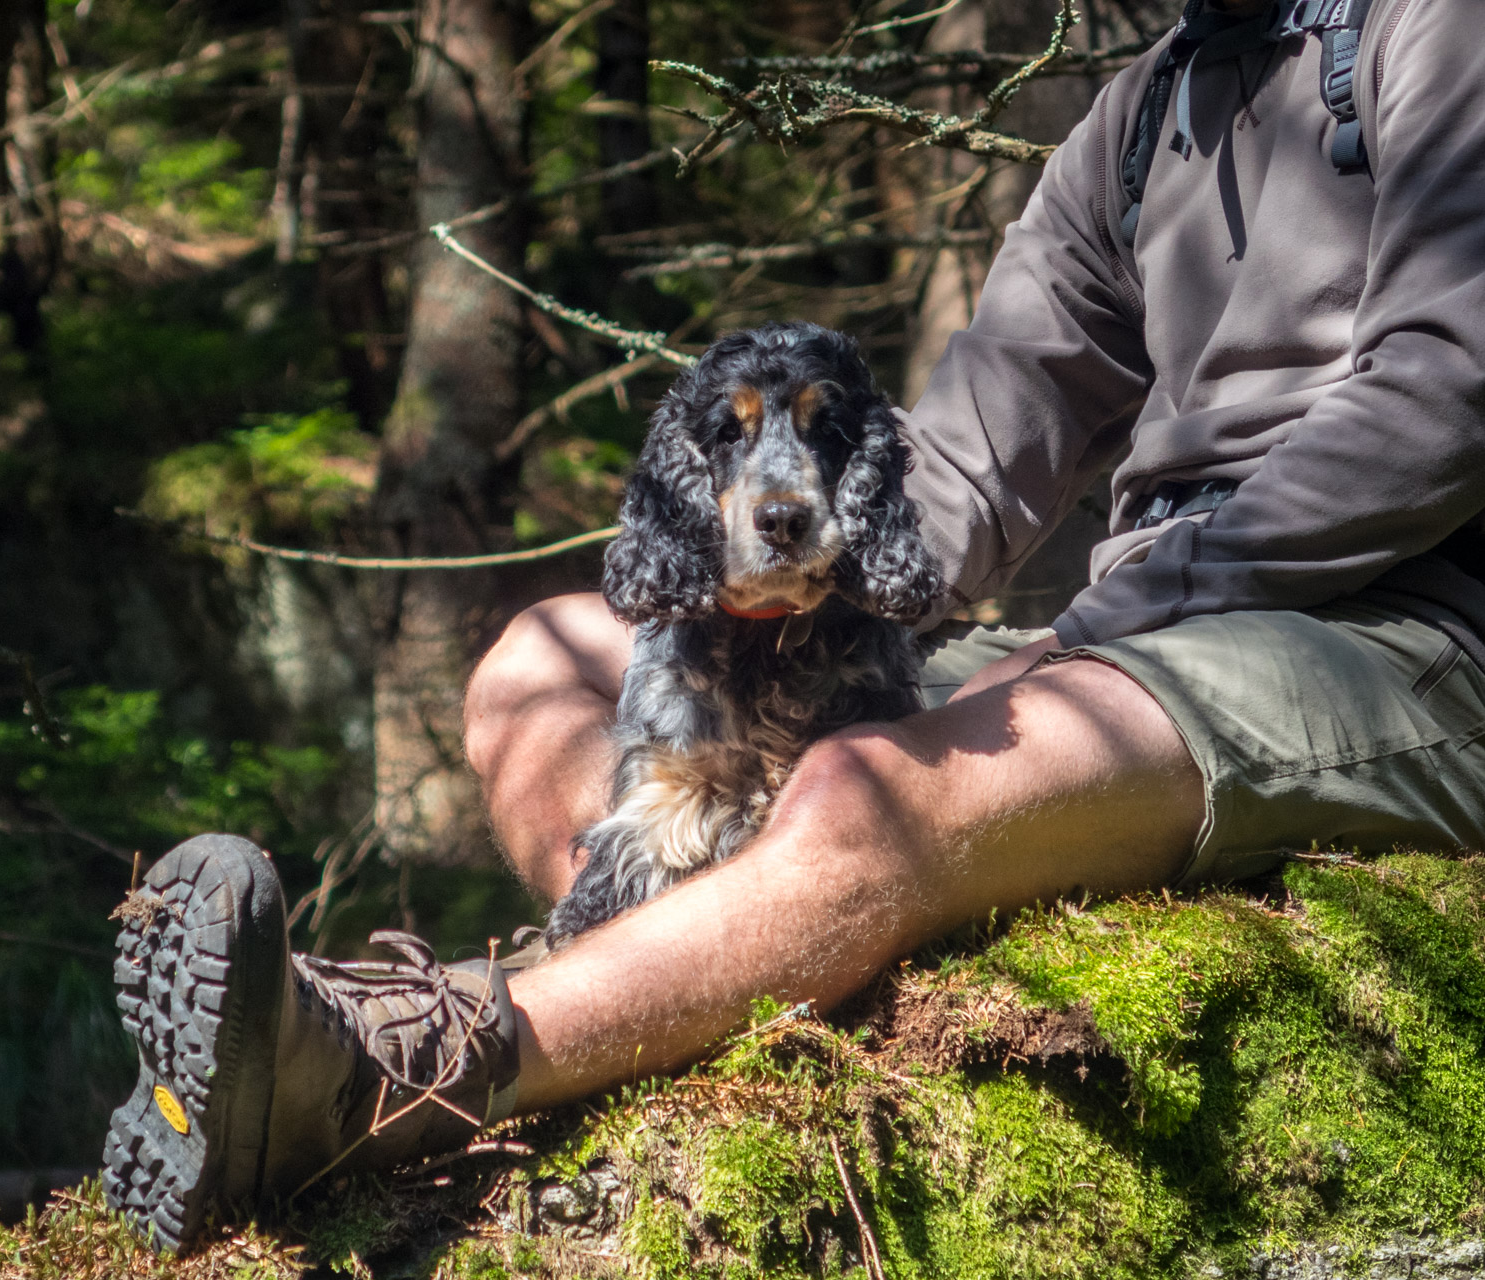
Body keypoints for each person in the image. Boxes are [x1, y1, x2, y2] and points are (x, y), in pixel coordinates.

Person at [102, 0, 1485, 1245]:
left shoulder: (1440, 32)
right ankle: (680, 970)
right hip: (1153, 631)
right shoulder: (1139, 115)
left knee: (862, 787)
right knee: (547, 656)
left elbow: (1443, 402)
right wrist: (771, 590)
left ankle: (402, 1066)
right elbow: (969, 447)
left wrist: (1118, 617)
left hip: (1396, 632)